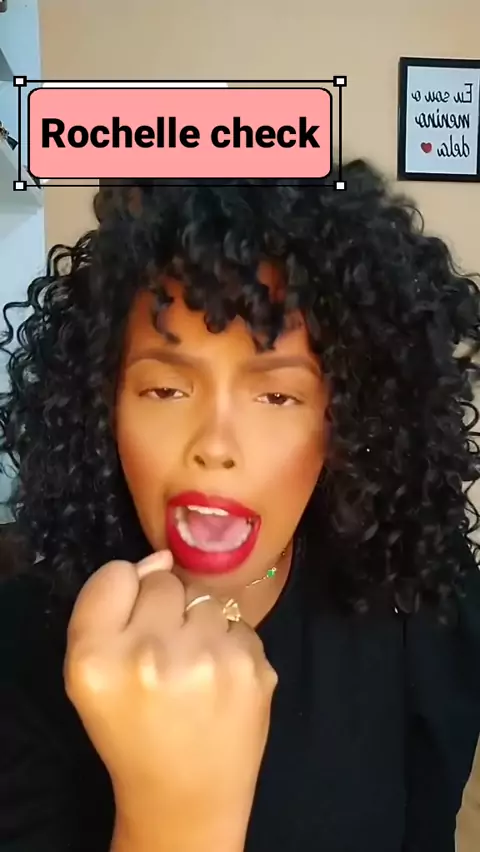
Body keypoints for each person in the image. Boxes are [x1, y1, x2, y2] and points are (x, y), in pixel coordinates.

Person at [0, 163, 479, 852]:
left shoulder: (421, 604)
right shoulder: (21, 646)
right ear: (103, 411)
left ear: (344, 424)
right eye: (165, 391)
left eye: (278, 396)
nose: (215, 446)